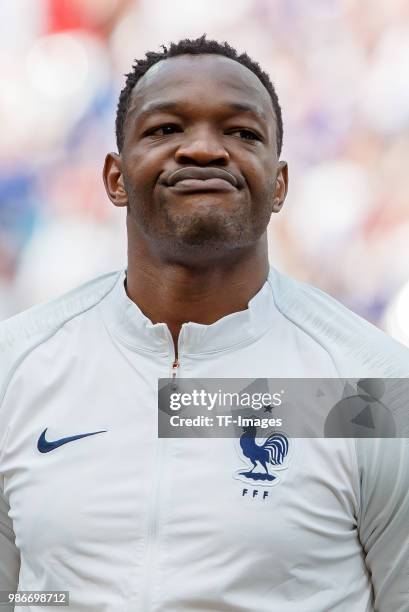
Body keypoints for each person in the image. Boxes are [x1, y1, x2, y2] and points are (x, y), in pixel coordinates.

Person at [0, 35, 408, 612]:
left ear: (281, 184)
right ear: (115, 178)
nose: (202, 150)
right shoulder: (16, 365)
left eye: (242, 133)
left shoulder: (374, 387)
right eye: (165, 129)